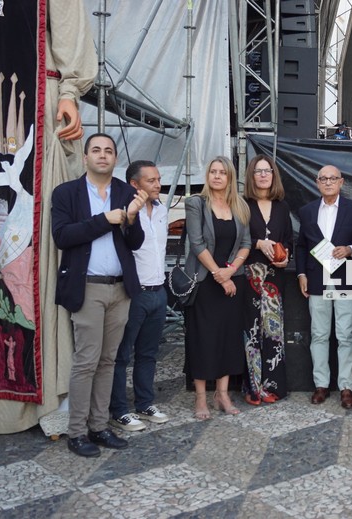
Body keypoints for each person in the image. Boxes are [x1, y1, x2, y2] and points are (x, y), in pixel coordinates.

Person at [0, 0, 97, 436]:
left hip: (35, 107)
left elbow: (69, 36)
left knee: (32, 260)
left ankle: (46, 396)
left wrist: (69, 93)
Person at [51, 133, 148, 457]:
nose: (102, 155)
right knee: (86, 361)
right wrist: (105, 220)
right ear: (85, 157)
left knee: (108, 361)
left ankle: (99, 426)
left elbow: (135, 242)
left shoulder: (125, 192)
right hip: (87, 287)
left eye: (108, 150)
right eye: (96, 150)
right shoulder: (67, 193)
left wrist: (130, 219)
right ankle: (77, 433)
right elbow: (62, 236)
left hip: (120, 288)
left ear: (115, 158)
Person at [183, 156, 251, 420]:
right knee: (203, 339)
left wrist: (231, 271)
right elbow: (197, 244)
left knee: (227, 338)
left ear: (230, 177)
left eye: (222, 172)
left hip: (233, 282)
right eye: (213, 171)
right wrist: (220, 276)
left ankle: (222, 394)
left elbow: (246, 243)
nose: (217, 176)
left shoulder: (240, 206)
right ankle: (201, 397)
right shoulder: (196, 204)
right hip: (205, 283)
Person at [296, 165, 352, 409]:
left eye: (333, 178)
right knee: (319, 334)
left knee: (346, 333)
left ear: (341, 182)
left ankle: (346, 386)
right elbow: (301, 245)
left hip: (345, 278)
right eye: (323, 178)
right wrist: (301, 273)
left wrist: (350, 250)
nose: (328, 182)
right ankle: (321, 385)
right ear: (317, 182)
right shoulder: (307, 211)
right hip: (316, 280)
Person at [108, 161, 169, 432]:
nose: (157, 185)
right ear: (135, 184)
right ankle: (119, 410)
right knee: (122, 355)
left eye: (158, 179)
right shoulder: (125, 212)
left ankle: (145, 403)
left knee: (148, 353)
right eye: (151, 180)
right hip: (134, 292)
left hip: (159, 290)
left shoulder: (162, 210)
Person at [242, 154, 293, 405]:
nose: (263, 175)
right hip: (249, 275)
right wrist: (257, 243)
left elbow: (289, 240)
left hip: (274, 276)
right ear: (251, 176)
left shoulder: (282, 207)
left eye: (268, 171)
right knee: (251, 332)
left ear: (274, 176)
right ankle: (253, 388)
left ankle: (273, 386)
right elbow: (235, 238)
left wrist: (286, 258)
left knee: (273, 332)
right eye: (258, 171)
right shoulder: (242, 205)